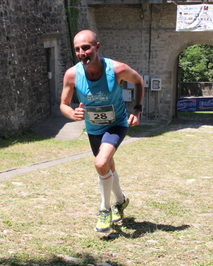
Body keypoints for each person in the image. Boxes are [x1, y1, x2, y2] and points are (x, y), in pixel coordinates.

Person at [60, 30, 144, 232]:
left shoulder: (117, 69)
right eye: (77, 49)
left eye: (86, 47)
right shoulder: (72, 74)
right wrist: (72, 114)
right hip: (93, 128)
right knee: (107, 166)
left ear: (97, 47)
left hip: (117, 123)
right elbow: (63, 104)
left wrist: (137, 109)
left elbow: (139, 80)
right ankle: (121, 201)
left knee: (100, 162)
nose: (81, 53)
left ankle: (104, 208)